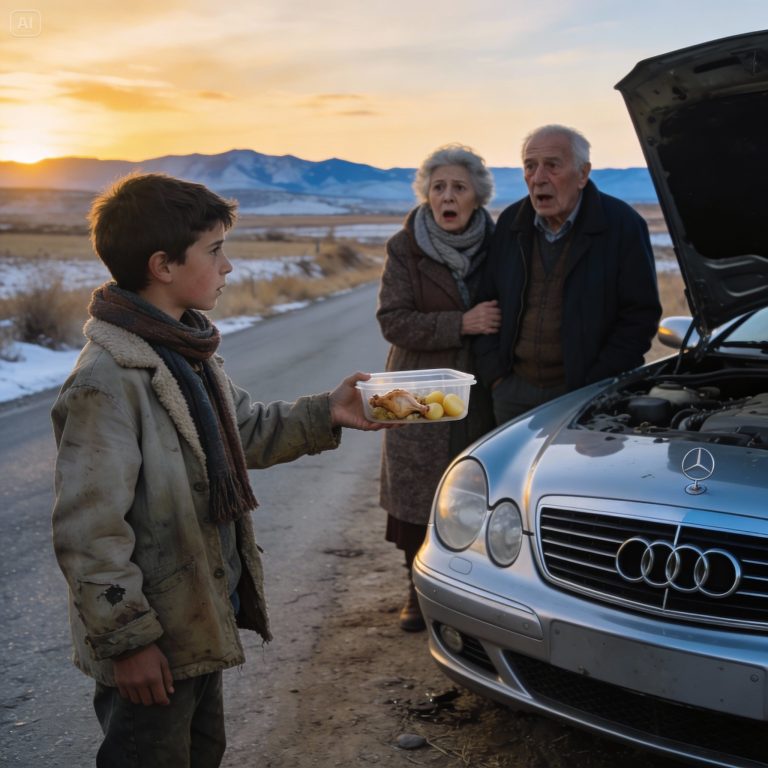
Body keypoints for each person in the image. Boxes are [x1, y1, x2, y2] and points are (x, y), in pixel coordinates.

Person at [50, 172, 389, 768]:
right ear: (163, 265)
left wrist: (327, 412)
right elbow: (89, 534)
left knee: (202, 753)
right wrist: (129, 642)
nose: (228, 266)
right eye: (215, 251)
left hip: (196, 620)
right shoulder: (106, 381)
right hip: (151, 637)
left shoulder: (183, 350)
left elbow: (245, 431)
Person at [376, 144, 501, 632]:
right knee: (416, 495)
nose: (447, 196)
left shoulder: (501, 242)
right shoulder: (404, 246)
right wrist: (461, 323)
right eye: (438, 187)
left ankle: (471, 591)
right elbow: (393, 319)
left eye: (458, 187)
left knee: (475, 489)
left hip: (483, 384)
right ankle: (416, 589)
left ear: (477, 196)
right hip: (419, 387)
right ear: (426, 194)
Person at [474, 124, 662, 425]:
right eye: (530, 166)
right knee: (513, 472)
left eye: (552, 166)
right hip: (513, 392)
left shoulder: (622, 226)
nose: (538, 179)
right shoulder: (512, 223)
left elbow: (640, 316)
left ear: (583, 174)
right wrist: (496, 376)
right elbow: (486, 301)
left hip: (585, 394)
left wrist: (598, 384)